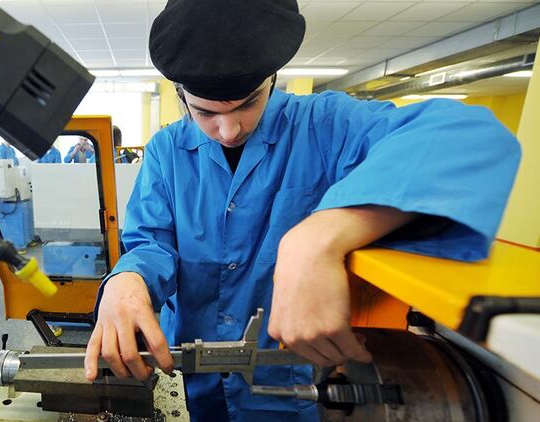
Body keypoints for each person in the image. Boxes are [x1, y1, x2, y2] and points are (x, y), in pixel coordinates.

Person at [84, 1, 521, 421]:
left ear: (273, 79)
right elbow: (152, 242)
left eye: (248, 103)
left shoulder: (328, 125)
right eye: (204, 112)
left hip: (303, 385)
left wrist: (319, 237)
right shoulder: (167, 151)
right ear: (181, 95)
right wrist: (129, 279)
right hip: (204, 382)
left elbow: (468, 138)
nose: (229, 130)